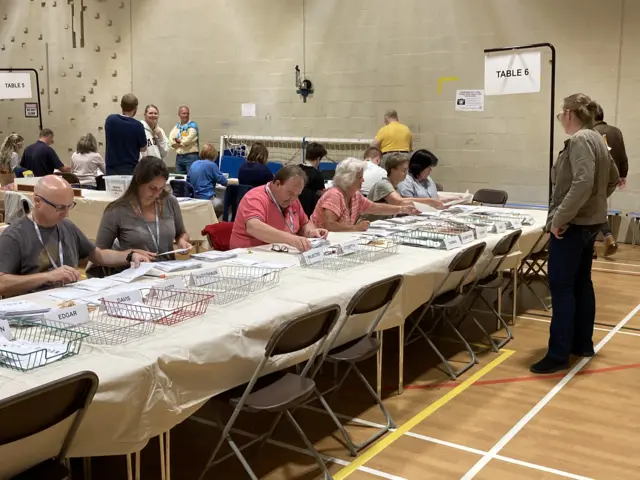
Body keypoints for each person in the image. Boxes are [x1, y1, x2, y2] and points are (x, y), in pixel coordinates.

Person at [530, 94, 619, 375]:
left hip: (573, 226)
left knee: (562, 287)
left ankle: (558, 354)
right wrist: (596, 203)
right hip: (589, 223)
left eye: (561, 116)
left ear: (568, 114)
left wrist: (560, 218)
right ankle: (582, 344)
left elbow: (582, 182)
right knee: (581, 283)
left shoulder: (580, 139)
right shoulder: (598, 138)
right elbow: (613, 177)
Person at [0, 175, 154, 296]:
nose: (66, 213)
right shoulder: (14, 235)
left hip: (69, 301)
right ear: (38, 202)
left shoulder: (67, 226)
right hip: (33, 308)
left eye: (69, 206)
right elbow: (2, 284)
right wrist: (47, 277)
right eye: (60, 208)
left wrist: (129, 256)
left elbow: (99, 256)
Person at [96, 157, 193, 263]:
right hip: (134, 273)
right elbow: (99, 254)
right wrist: (129, 254)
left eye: (161, 188)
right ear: (138, 182)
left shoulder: (170, 201)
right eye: (152, 188)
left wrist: (182, 240)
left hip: (166, 272)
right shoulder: (116, 210)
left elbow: (181, 233)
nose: (157, 194)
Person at [230, 165, 327, 251]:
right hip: (249, 255)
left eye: (297, 195)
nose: (293, 199)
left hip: (279, 253)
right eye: (290, 193)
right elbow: (254, 227)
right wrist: (291, 239)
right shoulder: (255, 197)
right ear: (277, 184)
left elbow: (304, 223)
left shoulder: (293, 200)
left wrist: (311, 232)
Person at [311, 158, 419, 232]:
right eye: (359, 177)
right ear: (348, 179)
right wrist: (356, 228)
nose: (363, 180)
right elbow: (329, 225)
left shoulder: (355, 195)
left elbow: (375, 207)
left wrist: (402, 209)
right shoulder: (334, 195)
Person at [361, 153, 444, 222]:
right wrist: (430, 201)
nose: (406, 173)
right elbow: (399, 202)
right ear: (393, 170)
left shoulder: (396, 186)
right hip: (368, 225)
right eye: (404, 170)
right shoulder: (383, 184)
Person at [593, 104, 628, 257]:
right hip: (612, 178)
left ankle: (593, 245)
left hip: (594, 178)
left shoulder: (590, 132)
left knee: (588, 210)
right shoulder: (616, 131)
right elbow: (622, 154)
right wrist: (623, 175)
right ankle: (607, 238)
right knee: (597, 207)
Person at [104, 94, 147, 175]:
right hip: (130, 169)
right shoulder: (138, 125)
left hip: (111, 169)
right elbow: (143, 148)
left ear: (121, 106)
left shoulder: (110, 120)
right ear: (135, 108)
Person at [187, 143, 228, 217]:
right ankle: (213, 221)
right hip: (207, 199)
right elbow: (224, 182)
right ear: (214, 155)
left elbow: (188, 181)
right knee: (227, 204)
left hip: (194, 198)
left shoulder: (194, 164)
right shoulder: (212, 165)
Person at [299, 142, 327, 216]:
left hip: (296, 208)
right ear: (318, 159)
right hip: (310, 210)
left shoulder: (296, 169)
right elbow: (321, 193)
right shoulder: (317, 174)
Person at [169, 105, 199, 174]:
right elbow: (171, 139)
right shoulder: (177, 127)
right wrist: (178, 143)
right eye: (184, 113)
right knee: (179, 180)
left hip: (191, 157)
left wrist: (178, 142)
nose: (186, 115)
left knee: (191, 179)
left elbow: (187, 140)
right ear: (179, 114)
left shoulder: (193, 126)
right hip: (179, 157)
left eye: (187, 113)